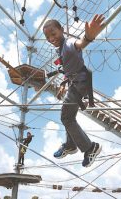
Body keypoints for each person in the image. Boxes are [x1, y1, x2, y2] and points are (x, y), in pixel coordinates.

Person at [43, 14, 105, 167]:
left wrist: (88, 37)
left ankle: (90, 147)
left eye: (53, 34)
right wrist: (63, 84)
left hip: (80, 82)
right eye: (47, 37)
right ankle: (71, 145)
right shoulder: (60, 50)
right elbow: (68, 70)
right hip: (75, 82)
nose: (51, 38)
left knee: (67, 118)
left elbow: (79, 44)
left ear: (62, 30)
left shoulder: (69, 43)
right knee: (67, 116)